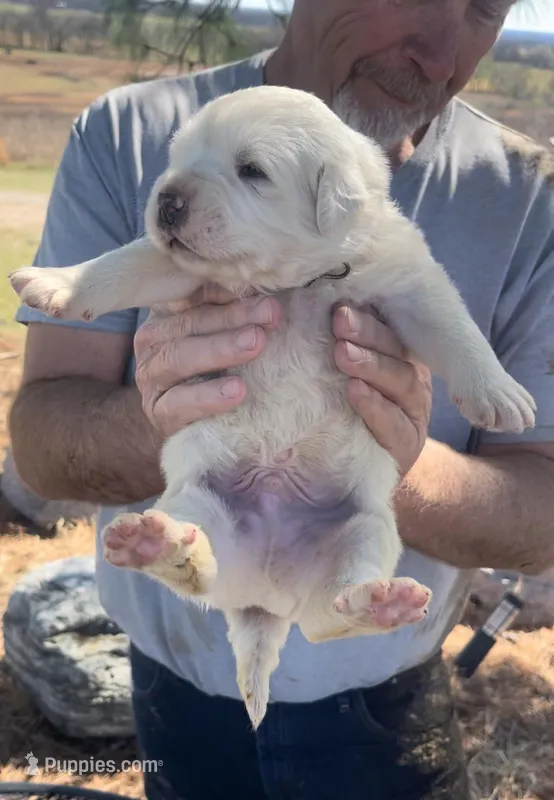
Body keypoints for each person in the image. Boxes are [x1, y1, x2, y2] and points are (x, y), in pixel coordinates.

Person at [9, 1, 554, 798]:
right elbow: (45, 441)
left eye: (483, 8)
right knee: (198, 512)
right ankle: (188, 555)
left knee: (359, 542)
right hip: (172, 674)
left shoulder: (526, 197)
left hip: (382, 694)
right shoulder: (126, 132)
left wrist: (395, 458)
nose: (442, 50)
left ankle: (343, 602)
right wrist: (158, 409)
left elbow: (542, 515)